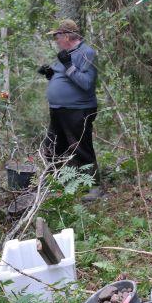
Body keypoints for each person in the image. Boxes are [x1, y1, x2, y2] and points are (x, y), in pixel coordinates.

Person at [39, 19, 102, 201]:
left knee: (81, 147)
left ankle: (94, 188)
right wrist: (50, 75)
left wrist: (68, 66)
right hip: (58, 110)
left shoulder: (87, 53)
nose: (55, 40)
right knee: (52, 148)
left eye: (57, 36)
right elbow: (64, 80)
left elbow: (86, 84)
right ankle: (57, 185)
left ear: (66, 36)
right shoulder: (64, 53)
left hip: (78, 109)